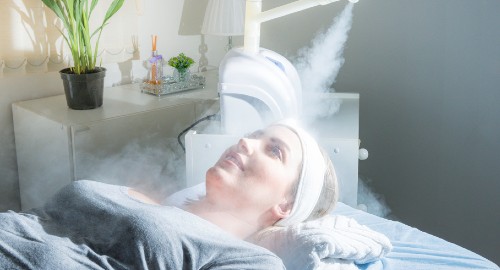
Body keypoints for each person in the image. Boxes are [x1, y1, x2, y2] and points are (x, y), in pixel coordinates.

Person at [0, 119, 338, 269]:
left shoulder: (252, 260)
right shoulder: (154, 204)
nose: (245, 142)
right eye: (254, 135)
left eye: (274, 150)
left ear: (286, 204)